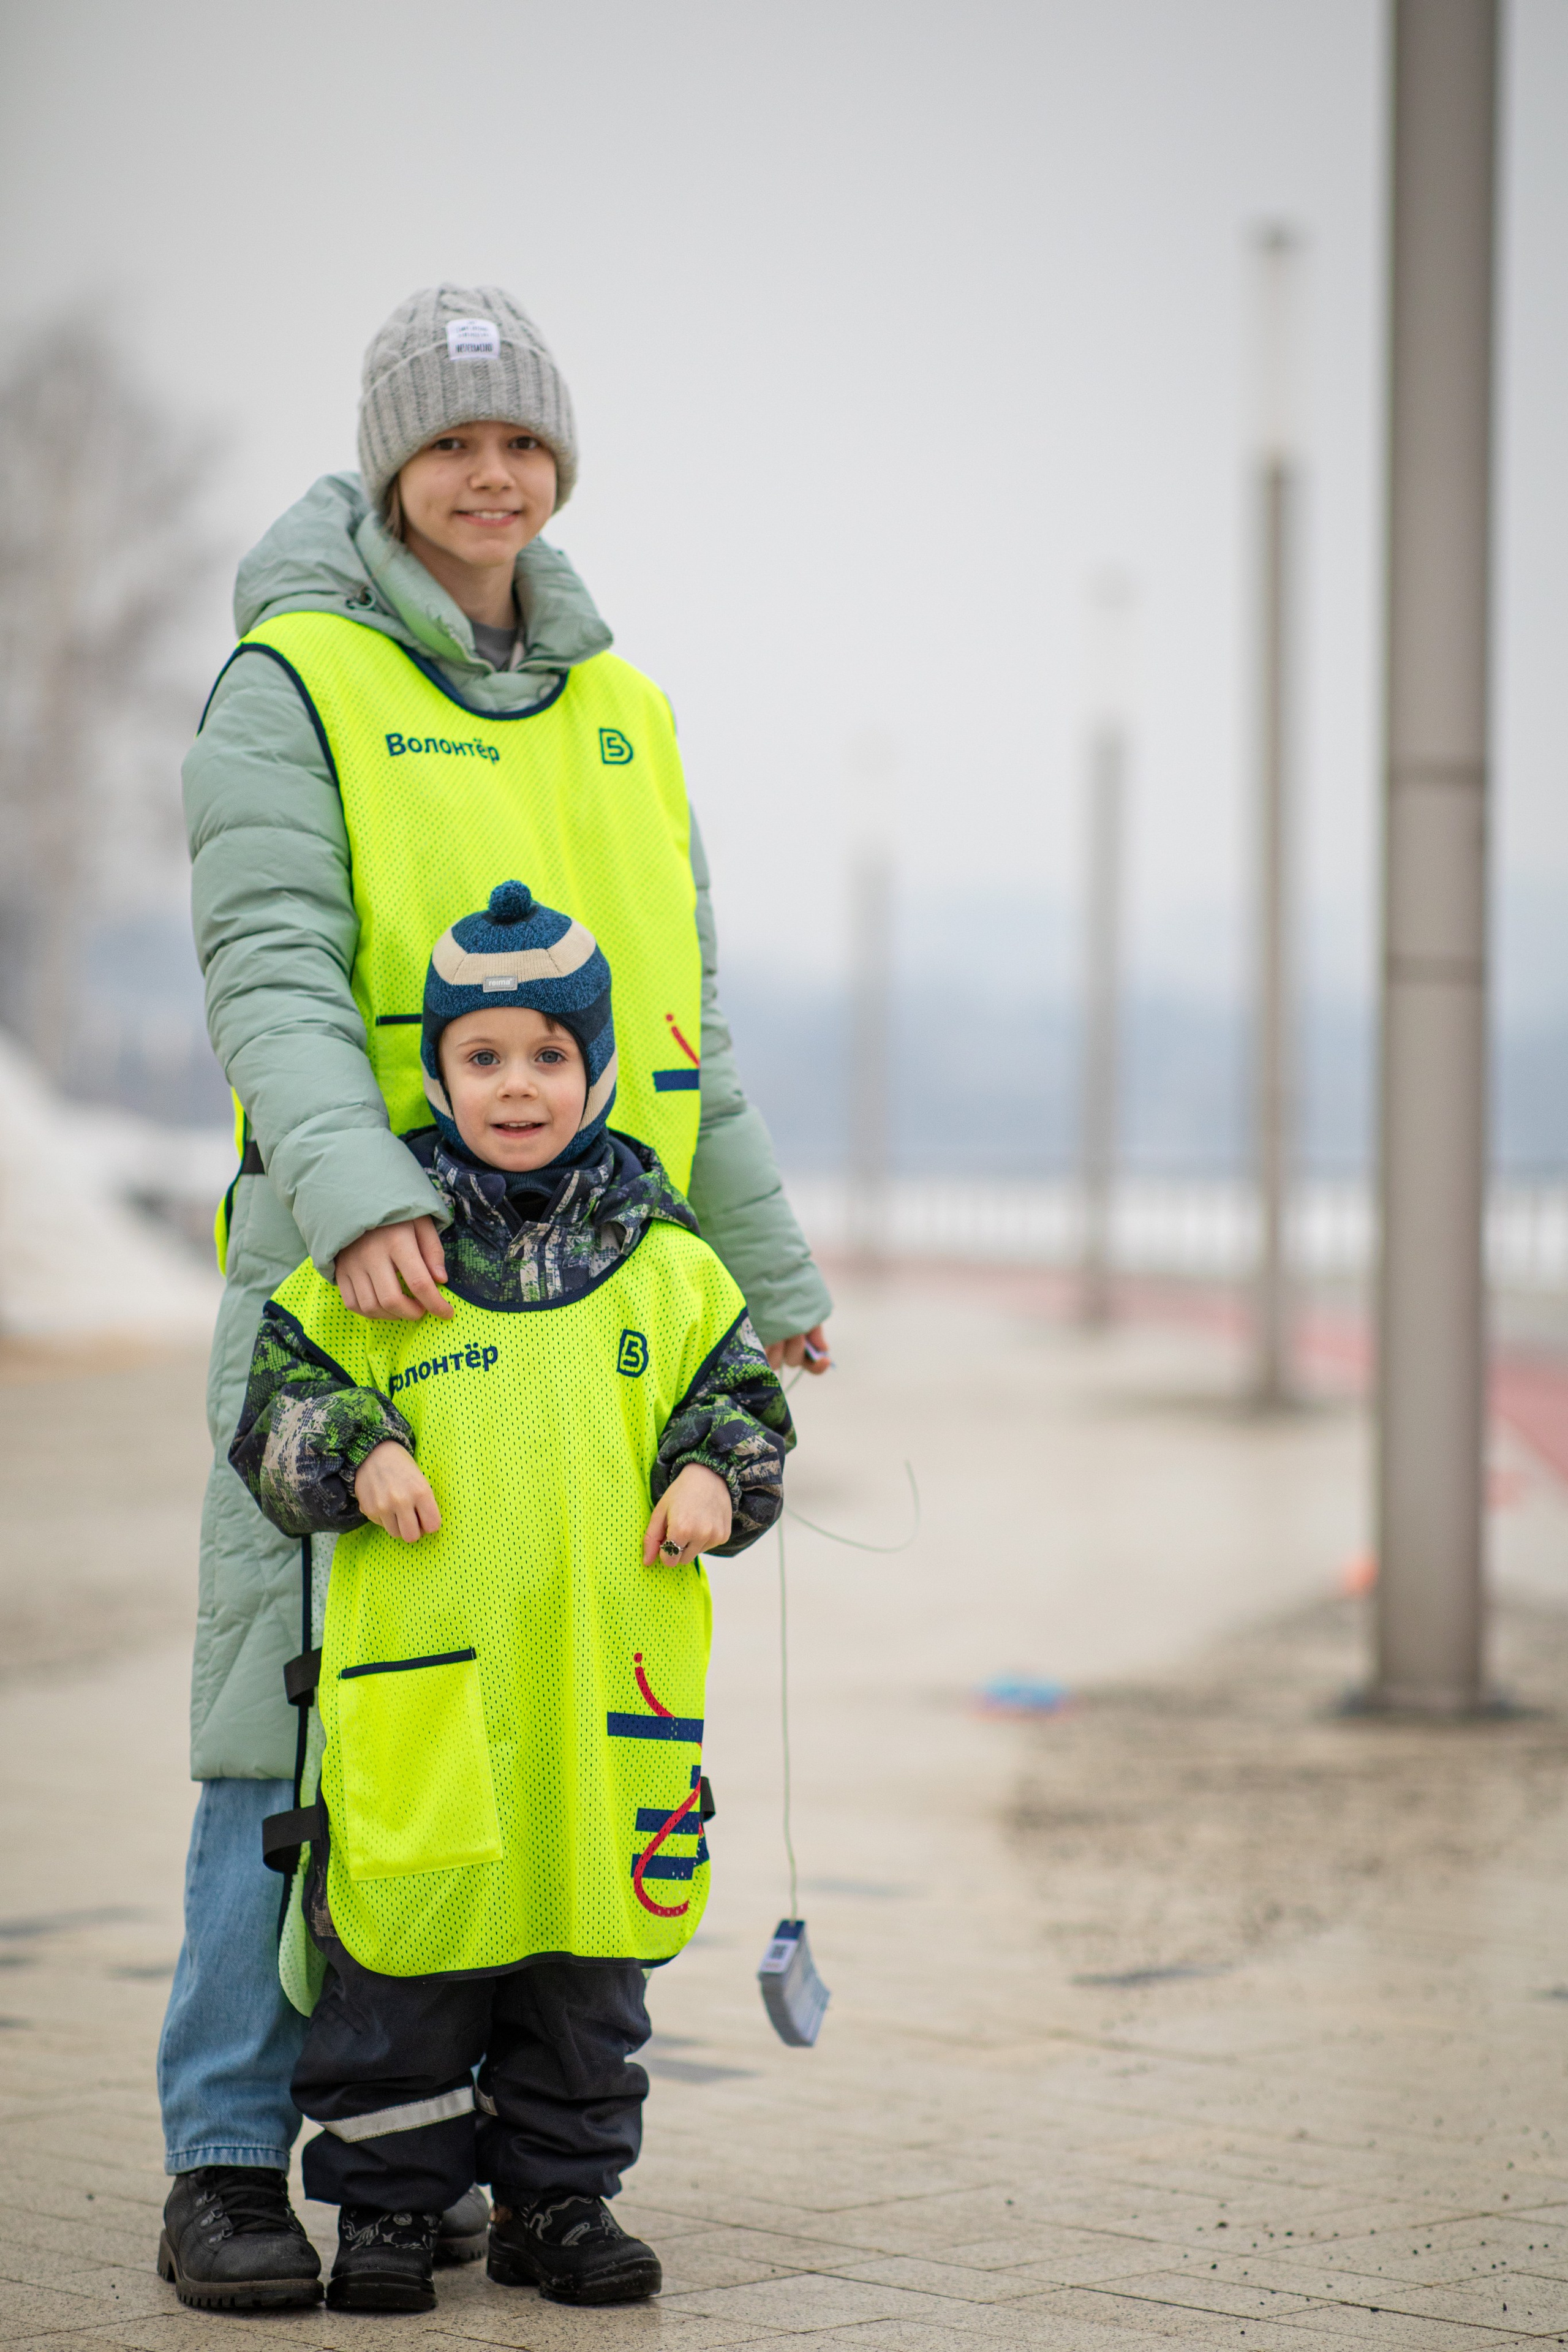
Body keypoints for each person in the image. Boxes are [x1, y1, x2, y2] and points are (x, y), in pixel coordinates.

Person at [157, 284, 830, 2309]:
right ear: (389, 464)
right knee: (296, 1729)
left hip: (586, 1295)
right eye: (450, 441)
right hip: (370, 1289)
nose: (488, 473)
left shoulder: (628, 711)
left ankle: (445, 2140)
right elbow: (268, 957)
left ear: (558, 466)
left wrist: (770, 1271)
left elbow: (679, 1026)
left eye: (520, 441)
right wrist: (359, 1190)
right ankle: (218, 2155)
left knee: (512, 1734)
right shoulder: (291, 681)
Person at [200, 883, 792, 2314]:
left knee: (586, 1977)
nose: (515, 1084)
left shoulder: (670, 1266)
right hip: (427, 1696)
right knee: (400, 1964)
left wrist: (716, 1474)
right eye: (482, 1057)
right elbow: (272, 1407)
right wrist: (358, 1447)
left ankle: (560, 2201)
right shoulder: (381, 1261)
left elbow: (747, 1409)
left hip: (605, 1696)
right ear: (439, 1073)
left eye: (545, 1055)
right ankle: (393, 2212)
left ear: (592, 1071)